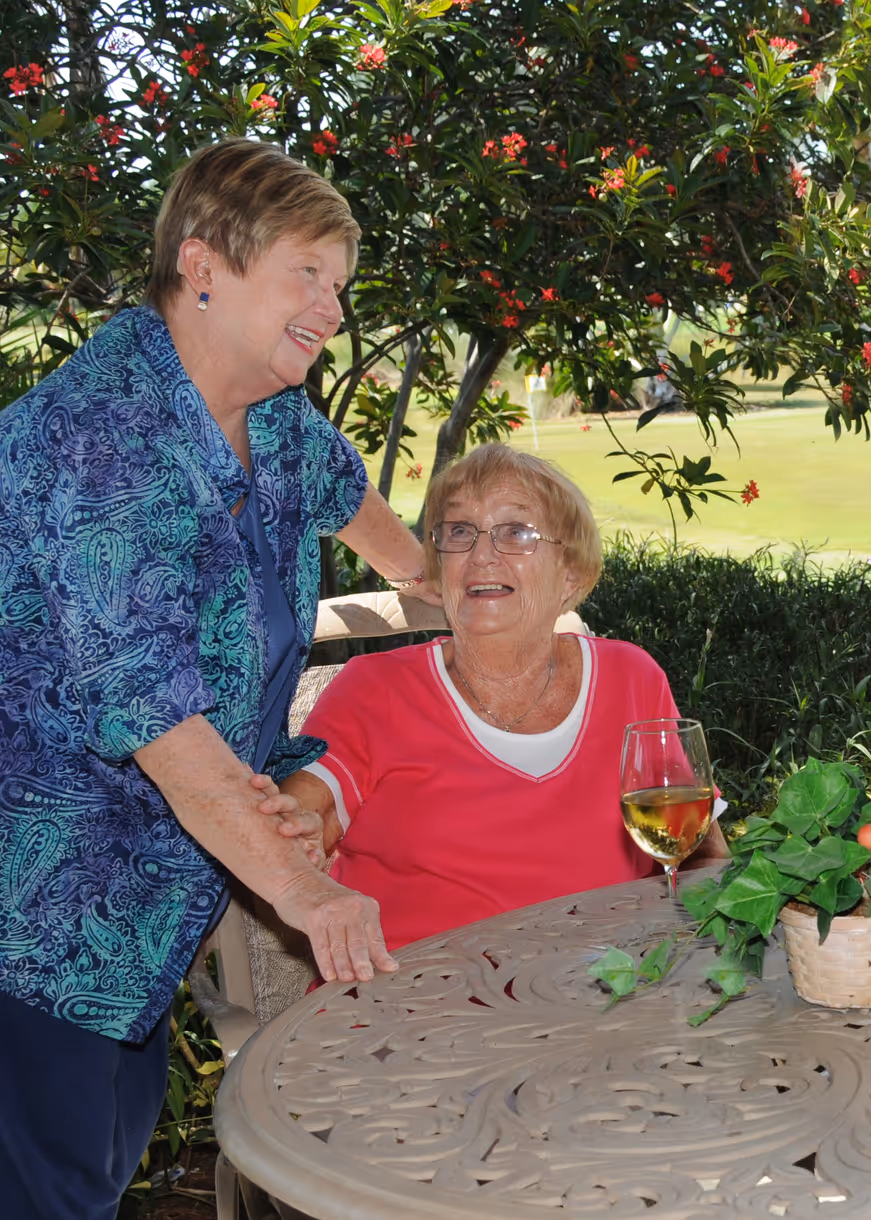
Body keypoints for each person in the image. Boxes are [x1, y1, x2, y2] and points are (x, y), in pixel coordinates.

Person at [0, 139, 424, 1216]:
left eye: (341, 284)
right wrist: (306, 891)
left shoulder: (273, 415)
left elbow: (362, 511)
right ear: (202, 263)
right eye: (307, 273)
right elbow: (160, 721)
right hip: (33, 912)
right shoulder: (98, 434)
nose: (331, 307)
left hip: (147, 907)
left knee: (94, 1170)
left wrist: (465, 591)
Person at [259, 445, 727, 948]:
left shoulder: (630, 678)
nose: (481, 554)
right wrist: (291, 831)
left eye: (516, 532)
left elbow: (701, 853)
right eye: (459, 532)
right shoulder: (374, 690)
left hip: (604, 1000)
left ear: (570, 575)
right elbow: (303, 818)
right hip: (417, 1010)